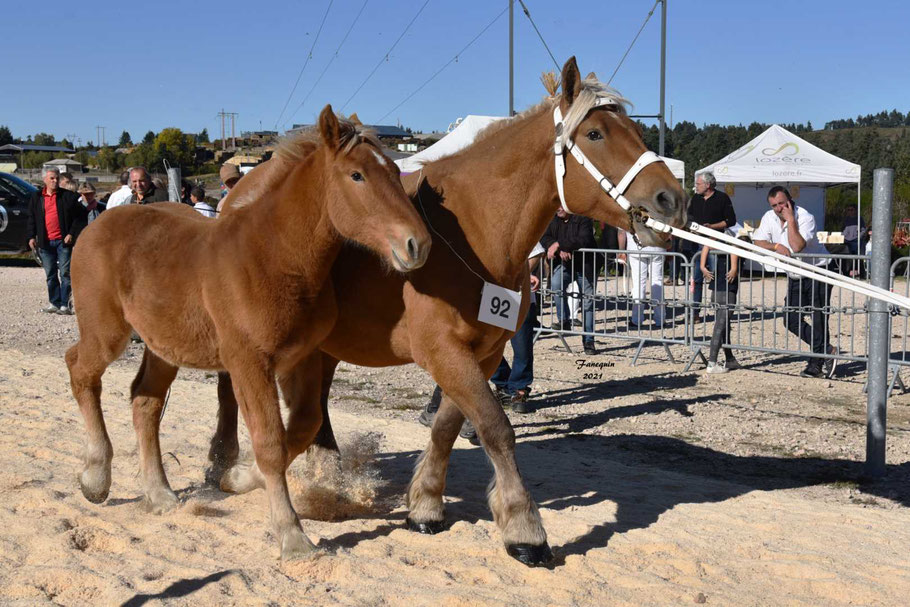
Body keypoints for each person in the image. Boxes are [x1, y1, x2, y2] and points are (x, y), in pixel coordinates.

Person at [753, 186, 838, 378]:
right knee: (790, 319)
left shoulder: (805, 217)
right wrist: (775, 245)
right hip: (795, 274)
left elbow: (798, 246)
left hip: (818, 271)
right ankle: (827, 350)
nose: (778, 208)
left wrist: (791, 220)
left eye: (782, 203)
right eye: (774, 205)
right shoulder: (769, 217)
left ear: (790, 200)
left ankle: (815, 364)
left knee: (818, 317)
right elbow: (757, 241)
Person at [489, 242, 545, 413]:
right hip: (497, 293)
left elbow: (536, 252)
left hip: (520, 294)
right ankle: (503, 384)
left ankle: (520, 389)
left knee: (522, 346)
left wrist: (519, 275)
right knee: (490, 345)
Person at [25, 169, 87, 315]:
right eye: (51, 178)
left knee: (65, 273)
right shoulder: (36, 197)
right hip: (45, 242)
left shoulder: (67, 197)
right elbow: (31, 218)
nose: (55, 181)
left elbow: (81, 216)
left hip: (62, 242)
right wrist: (31, 237)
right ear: (44, 180)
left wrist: (71, 233)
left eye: (57, 178)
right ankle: (54, 303)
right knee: (50, 274)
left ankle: (66, 304)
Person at [540, 208, 598, 355]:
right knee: (556, 284)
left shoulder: (583, 218)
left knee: (588, 302)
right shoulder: (553, 220)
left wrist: (560, 244)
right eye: (556, 205)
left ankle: (589, 340)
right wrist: (556, 246)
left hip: (585, 266)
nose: (558, 208)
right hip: (565, 264)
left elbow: (584, 239)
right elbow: (544, 237)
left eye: (561, 205)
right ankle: (564, 319)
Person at [688, 172, 736, 319]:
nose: (695, 187)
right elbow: (689, 217)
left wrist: (713, 227)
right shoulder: (695, 199)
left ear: (707, 185)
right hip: (697, 243)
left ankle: (719, 310)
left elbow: (731, 220)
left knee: (718, 277)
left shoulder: (722, 198)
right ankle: (695, 312)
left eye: (698, 184)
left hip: (716, 244)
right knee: (696, 278)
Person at [700, 242, 742, 374]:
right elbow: (734, 247)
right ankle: (712, 363)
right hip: (727, 290)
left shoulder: (721, 246)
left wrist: (702, 266)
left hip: (717, 289)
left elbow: (707, 245)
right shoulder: (733, 246)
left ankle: (730, 358)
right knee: (720, 327)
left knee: (723, 326)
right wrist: (734, 267)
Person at [618, 229, 665, 328]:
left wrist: (621, 250)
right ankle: (660, 319)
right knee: (657, 281)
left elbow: (622, 232)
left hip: (636, 247)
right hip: (657, 247)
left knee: (638, 283)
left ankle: (636, 319)